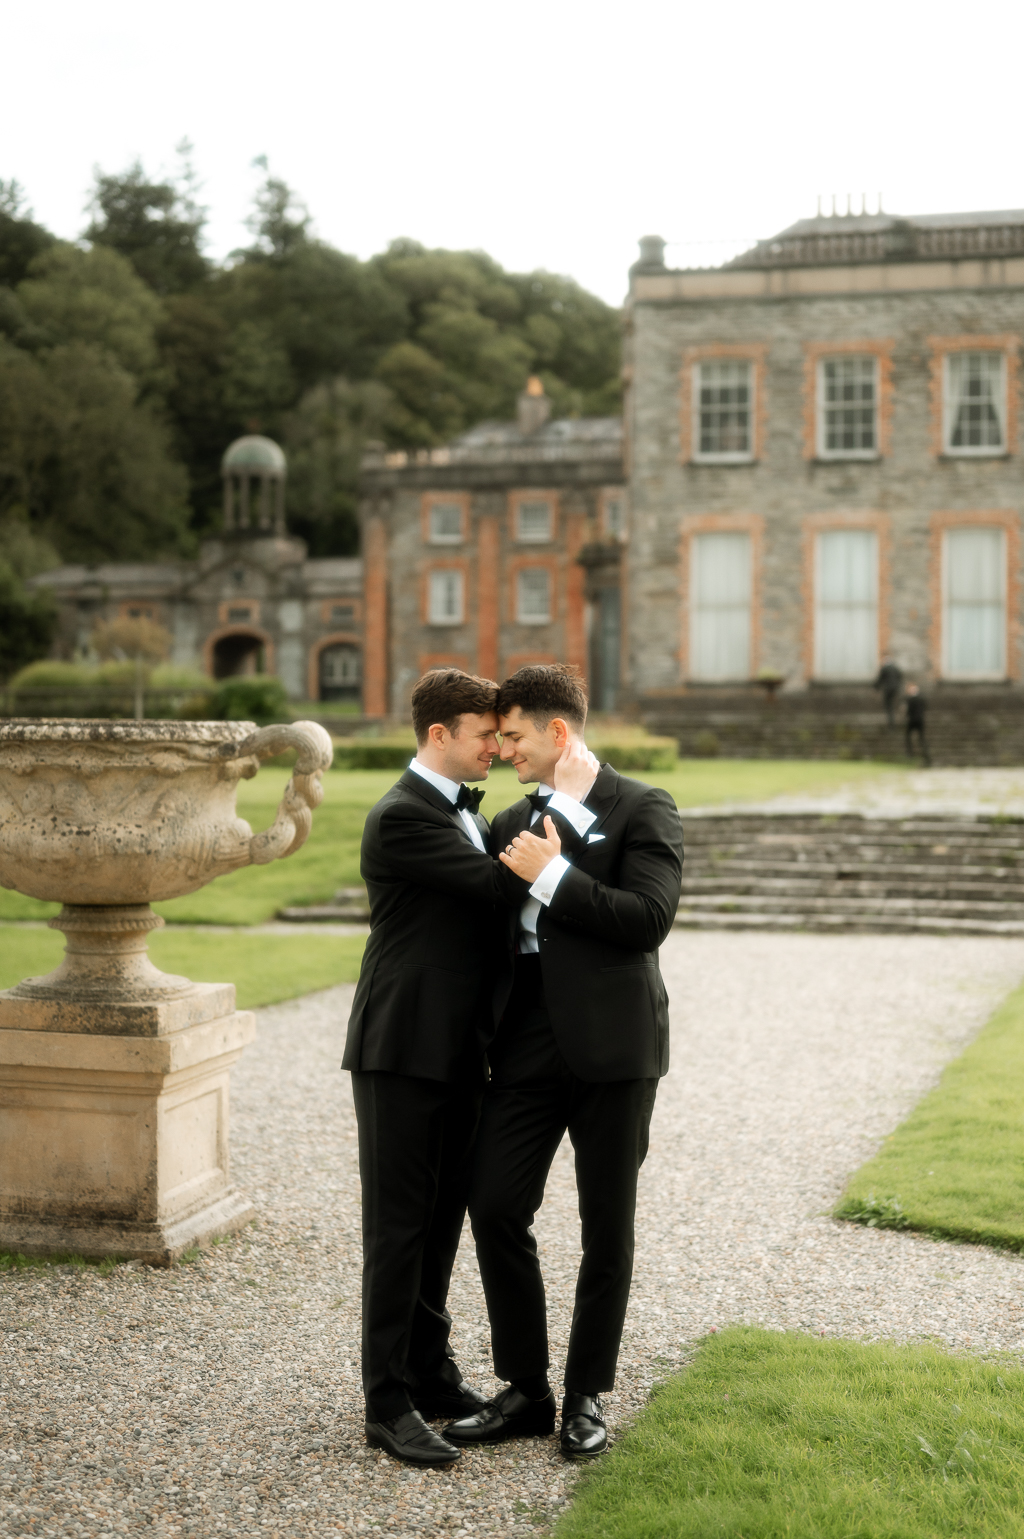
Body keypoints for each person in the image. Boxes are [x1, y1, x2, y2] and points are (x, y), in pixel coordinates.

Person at [343, 667, 596, 1467]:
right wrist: (571, 804)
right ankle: (386, 1402)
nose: (497, 745)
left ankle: (430, 1370)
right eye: (485, 733)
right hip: (403, 1048)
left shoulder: (466, 814)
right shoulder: (400, 816)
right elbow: (497, 886)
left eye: (501, 734)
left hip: (461, 1053)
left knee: (443, 1220)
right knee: (398, 1228)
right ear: (438, 734)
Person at [443, 664, 684, 1461]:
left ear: (557, 731)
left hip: (616, 1044)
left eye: (513, 735)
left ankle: (585, 1392)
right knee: (495, 1202)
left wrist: (552, 869)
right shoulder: (512, 818)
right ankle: (526, 1388)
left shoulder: (644, 806)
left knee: (605, 1225)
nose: (503, 749)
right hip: (525, 1041)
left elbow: (646, 919)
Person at [904, 681, 931, 766]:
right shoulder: (921, 698)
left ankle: (911, 753)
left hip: (912, 720)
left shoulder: (910, 699)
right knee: (921, 738)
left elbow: (908, 711)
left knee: (909, 736)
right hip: (920, 720)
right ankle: (926, 755)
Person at [873, 657, 903, 726]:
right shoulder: (896, 668)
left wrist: (875, 687)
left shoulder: (884, 668)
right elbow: (900, 677)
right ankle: (893, 718)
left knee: (889, 705)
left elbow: (880, 679)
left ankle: (891, 722)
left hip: (888, 689)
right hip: (895, 689)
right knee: (892, 703)